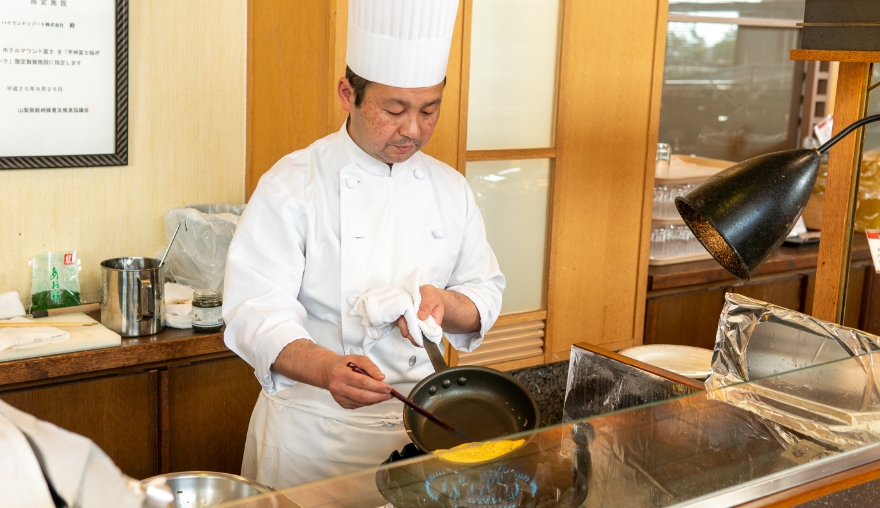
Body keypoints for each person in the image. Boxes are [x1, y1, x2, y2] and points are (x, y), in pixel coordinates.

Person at [222, 0, 505, 488]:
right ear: (347, 93)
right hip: (312, 438)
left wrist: (445, 303)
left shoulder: (449, 188)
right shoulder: (293, 184)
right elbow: (254, 312)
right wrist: (329, 367)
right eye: (394, 110)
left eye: (429, 109)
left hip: (423, 438)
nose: (413, 129)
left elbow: (485, 290)